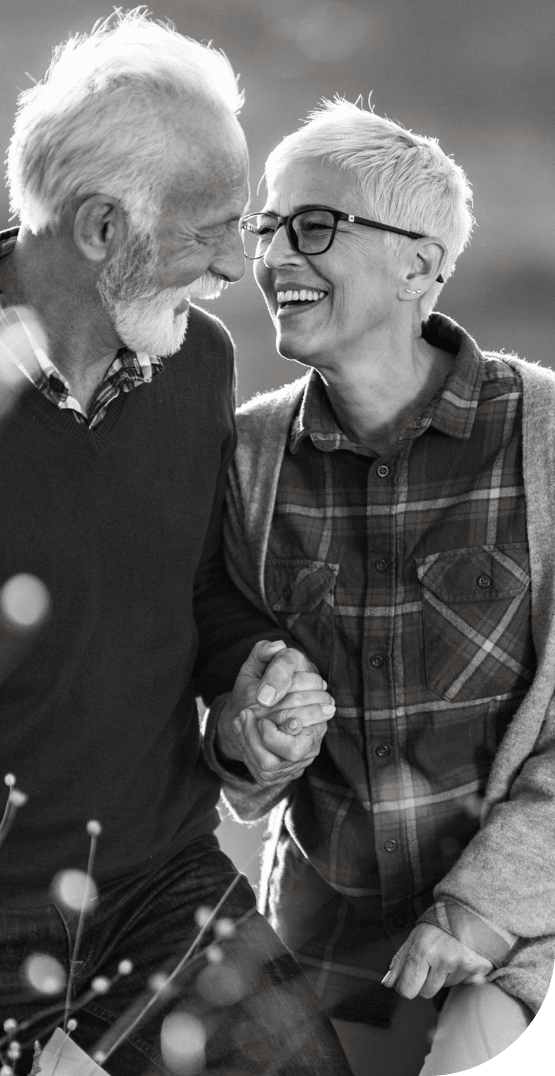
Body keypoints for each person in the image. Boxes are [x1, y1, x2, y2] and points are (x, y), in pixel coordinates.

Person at [0, 14, 352, 1076]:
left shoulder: (197, 363)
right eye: (214, 228)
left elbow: (198, 585)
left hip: (157, 882)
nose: (239, 262)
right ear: (99, 229)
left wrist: (253, 671)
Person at [204, 99, 555, 1076]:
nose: (275, 256)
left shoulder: (546, 438)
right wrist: (251, 737)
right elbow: (232, 743)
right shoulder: (245, 457)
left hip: (519, 946)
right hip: (322, 962)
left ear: (417, 263)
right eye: (265, 227)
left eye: (312, 225)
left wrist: (475, 913)